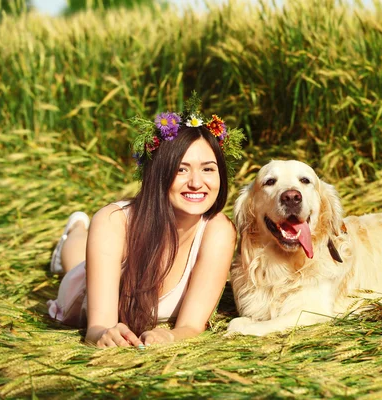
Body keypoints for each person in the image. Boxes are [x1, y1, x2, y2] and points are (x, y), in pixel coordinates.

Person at [47, 95, 244, 348]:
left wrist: (171, 336)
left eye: (208, 169)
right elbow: (98, 327)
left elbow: (192, 326)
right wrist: (103, 333)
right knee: (74, 263)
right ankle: (74, 229)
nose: (196, 182)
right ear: (158, 173)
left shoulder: (219, 231)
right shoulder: (113, 221)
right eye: (181, 169)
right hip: (82, 295)